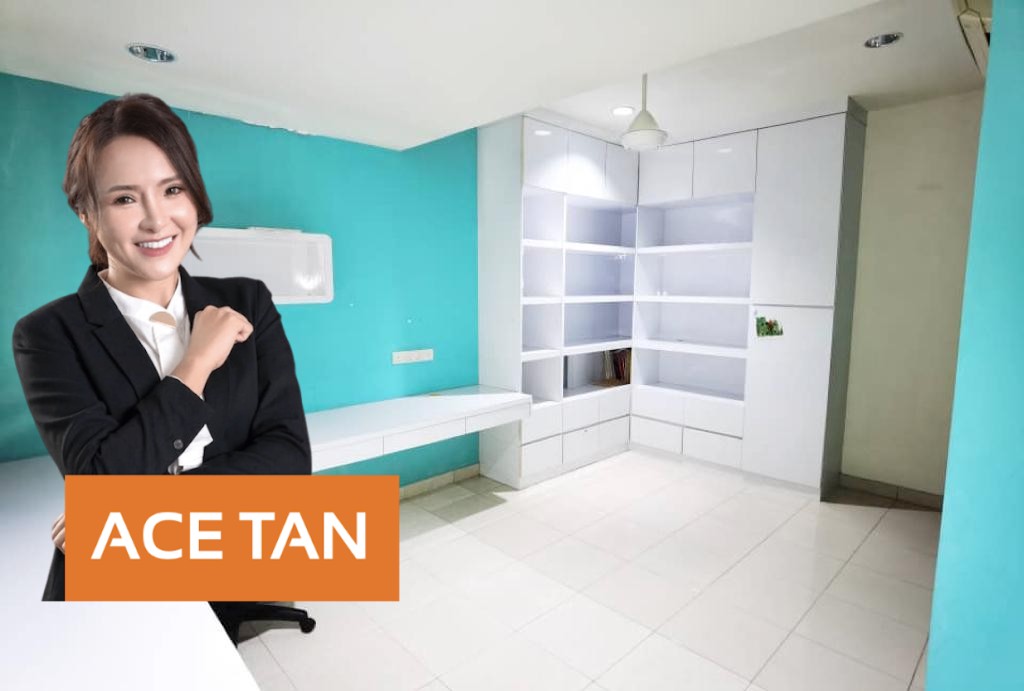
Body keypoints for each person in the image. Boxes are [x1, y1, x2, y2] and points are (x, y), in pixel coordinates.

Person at [12, 93, 312, 602]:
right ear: (86, 212)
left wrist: (137, 506)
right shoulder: (47, 335)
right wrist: (195, 364)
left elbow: (289, 461)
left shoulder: (248, 302)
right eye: (124, 199)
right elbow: (100, 481)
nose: (156, 220)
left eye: (172, 189)